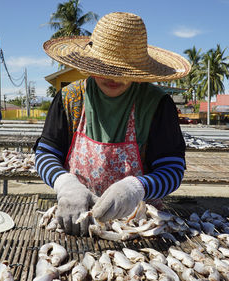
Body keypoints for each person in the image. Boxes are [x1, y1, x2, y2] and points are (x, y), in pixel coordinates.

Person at [34, 12, 191, 236]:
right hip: (77, 215)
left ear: (139, 71)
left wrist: (136, 188)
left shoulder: (156, 104)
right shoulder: (70, 99)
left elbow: (172, 169)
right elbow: (46, 153)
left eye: (123, 70)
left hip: (138, 225)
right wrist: (65, 184)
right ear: (91, 62)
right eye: (104, 68)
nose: (113, 77)